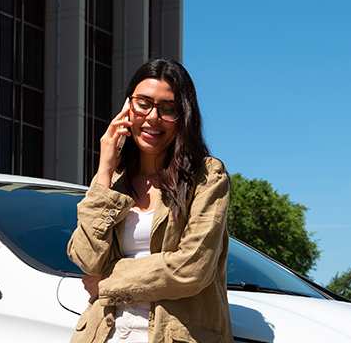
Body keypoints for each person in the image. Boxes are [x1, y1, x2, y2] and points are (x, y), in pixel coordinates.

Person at [67, 59, 232, 343]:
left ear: (184, 117)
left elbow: (192, 268)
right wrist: (104, 170)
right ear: (127, 107)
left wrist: (106, 283)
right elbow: (86, 260)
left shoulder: (207, 176)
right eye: (143, 103)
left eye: (168, 108)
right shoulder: (114, 180)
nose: (153, 117)